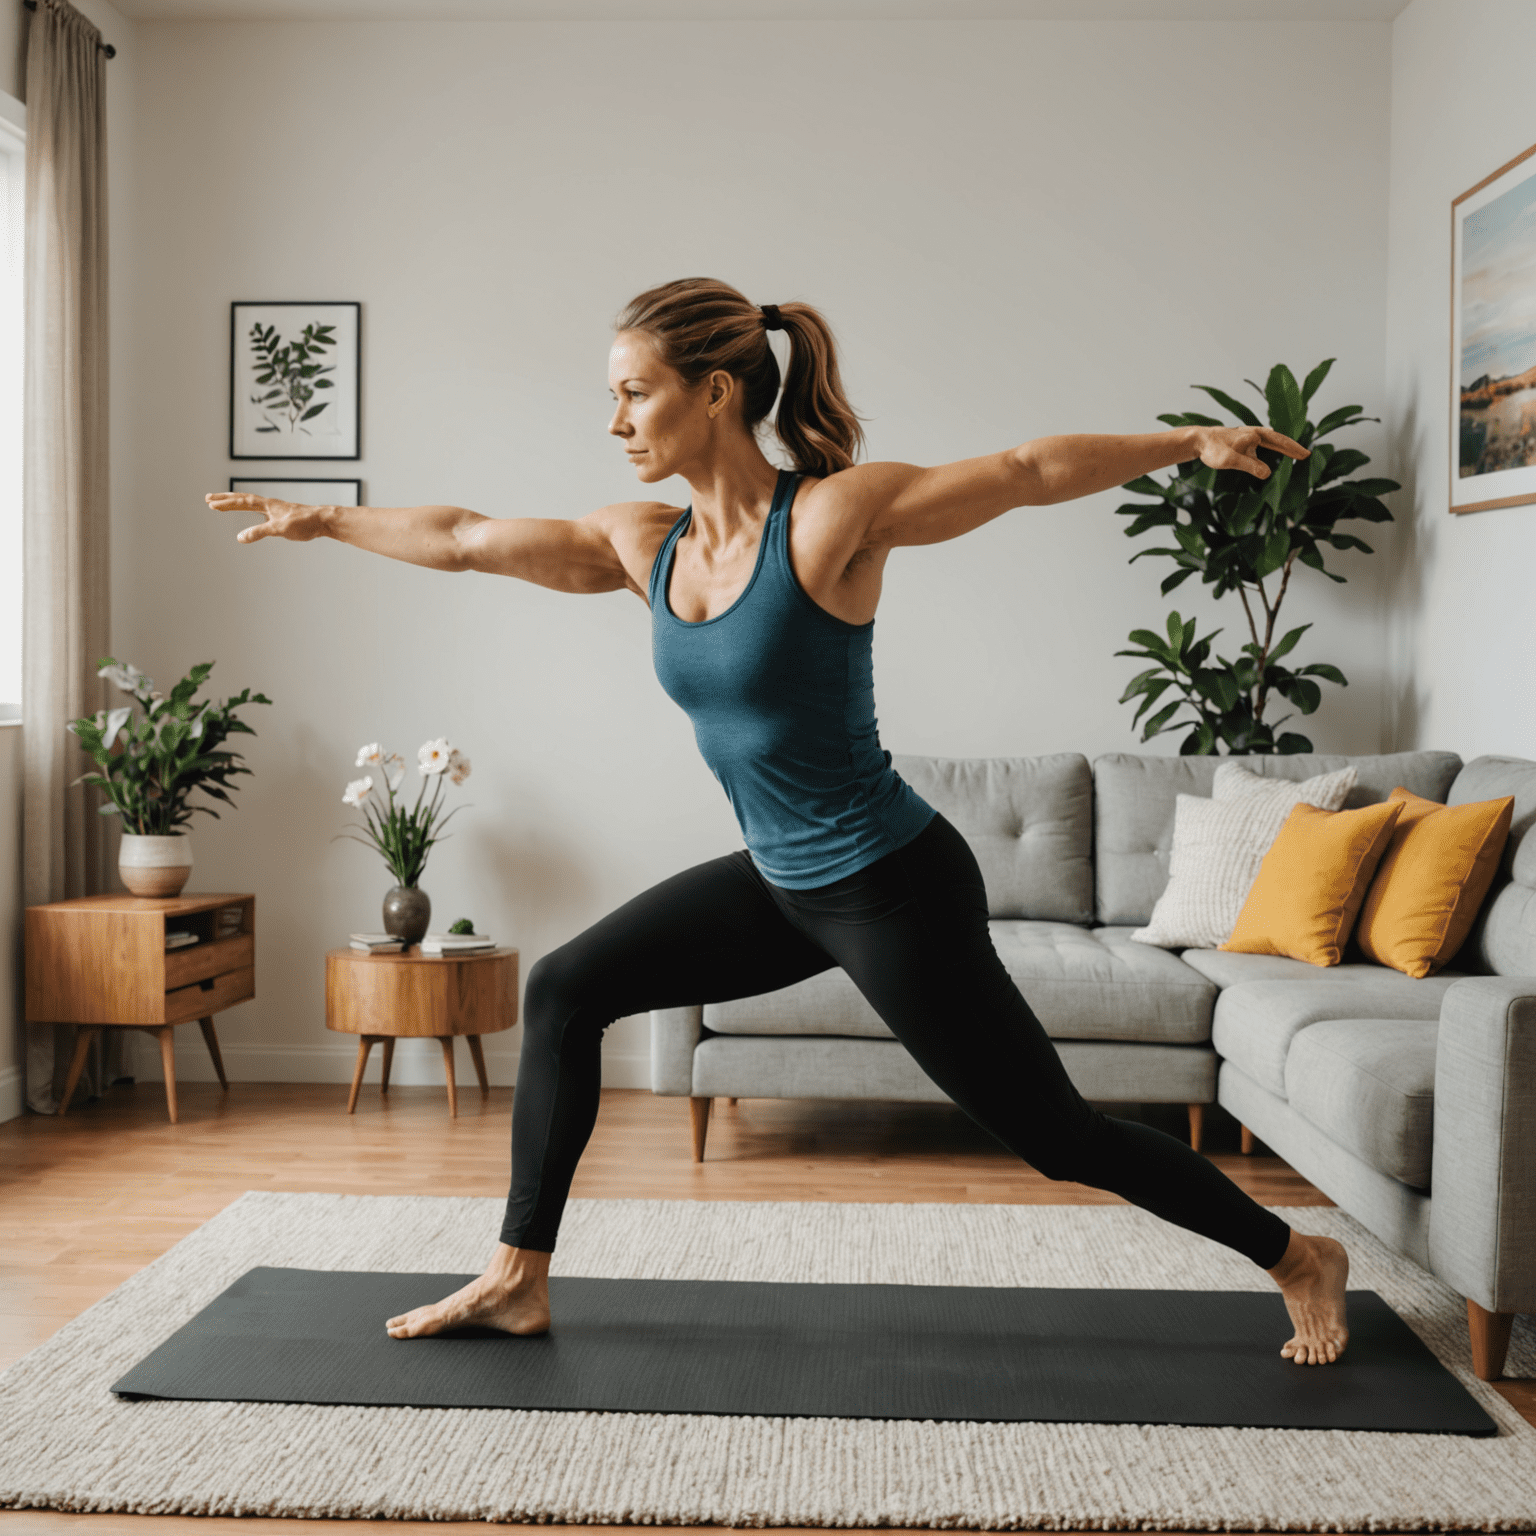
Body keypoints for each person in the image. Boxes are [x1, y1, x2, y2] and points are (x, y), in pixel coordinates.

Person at [207, 277, 1350, 1367]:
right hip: (777, 881)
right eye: (611, 395)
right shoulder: (640, 544)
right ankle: (518, 1274)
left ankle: (1299, 1255)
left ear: (714, 390)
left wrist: (1185, 443)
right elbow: (463, 537)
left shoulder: (830, 520)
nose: (614, 420)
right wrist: (325, 520)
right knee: (566, 988)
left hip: (893, 882)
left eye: (633, 391)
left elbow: (1020, 469)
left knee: (1056, 1137)